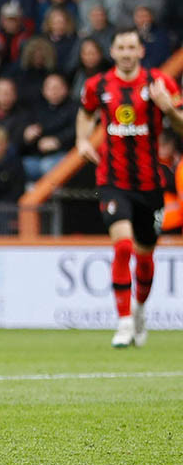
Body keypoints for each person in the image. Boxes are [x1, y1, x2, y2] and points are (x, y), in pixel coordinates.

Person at [76, 29, 183, 348]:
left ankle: (138, 310)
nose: (125, 52)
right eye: (120, 46)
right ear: (112, 50)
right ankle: (123, 322)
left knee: (145, 256)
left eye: (131, 47)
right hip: (112, 181)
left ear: (140, 51)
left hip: (150, 184)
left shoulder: (161, 83)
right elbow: (85, 112)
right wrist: (82, 139)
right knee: (123, 248)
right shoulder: (99, 85)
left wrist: (169, 110)